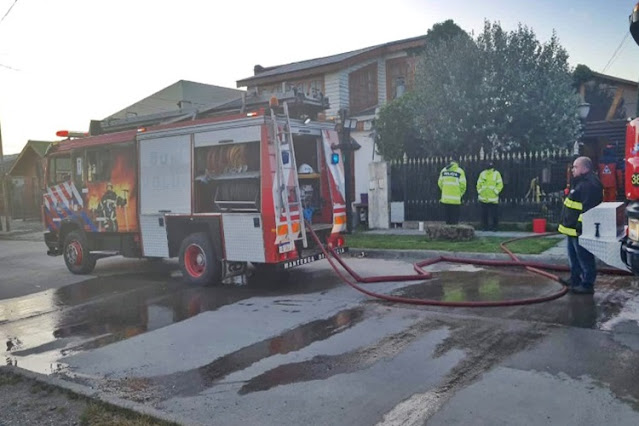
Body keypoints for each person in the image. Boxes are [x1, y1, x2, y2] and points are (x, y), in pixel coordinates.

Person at [558, 156, 603, 294]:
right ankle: (575, 278)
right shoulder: (580, 182)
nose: (572, 169)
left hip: (579, 230)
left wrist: (580, 225)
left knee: (584, 257)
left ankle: (587, 284)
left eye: (575, 167)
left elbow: (588, 208)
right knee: (573, 256)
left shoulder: (590, 184)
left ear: (585, 168)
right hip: (571, 228)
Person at [476, 162, 504, 231]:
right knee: (485, 214)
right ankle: (488, 227)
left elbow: (500, 184)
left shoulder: (495, 174)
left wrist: (495, 191)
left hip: (490, 197)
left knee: (492, 214)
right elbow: (478, 184)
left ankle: (491, 227)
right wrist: (480, 191)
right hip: (486, 197)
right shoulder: (484, 173)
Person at [438, 160, 466, 225]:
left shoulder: (444, 170)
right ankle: (454, 233)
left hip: (446, 199)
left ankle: (447, 233)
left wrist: (445, 190)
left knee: (447, 219)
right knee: (455, 220)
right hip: (456, 199)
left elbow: (440, 183)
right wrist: (460, 194)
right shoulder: (460, 171)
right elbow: (463, 185)